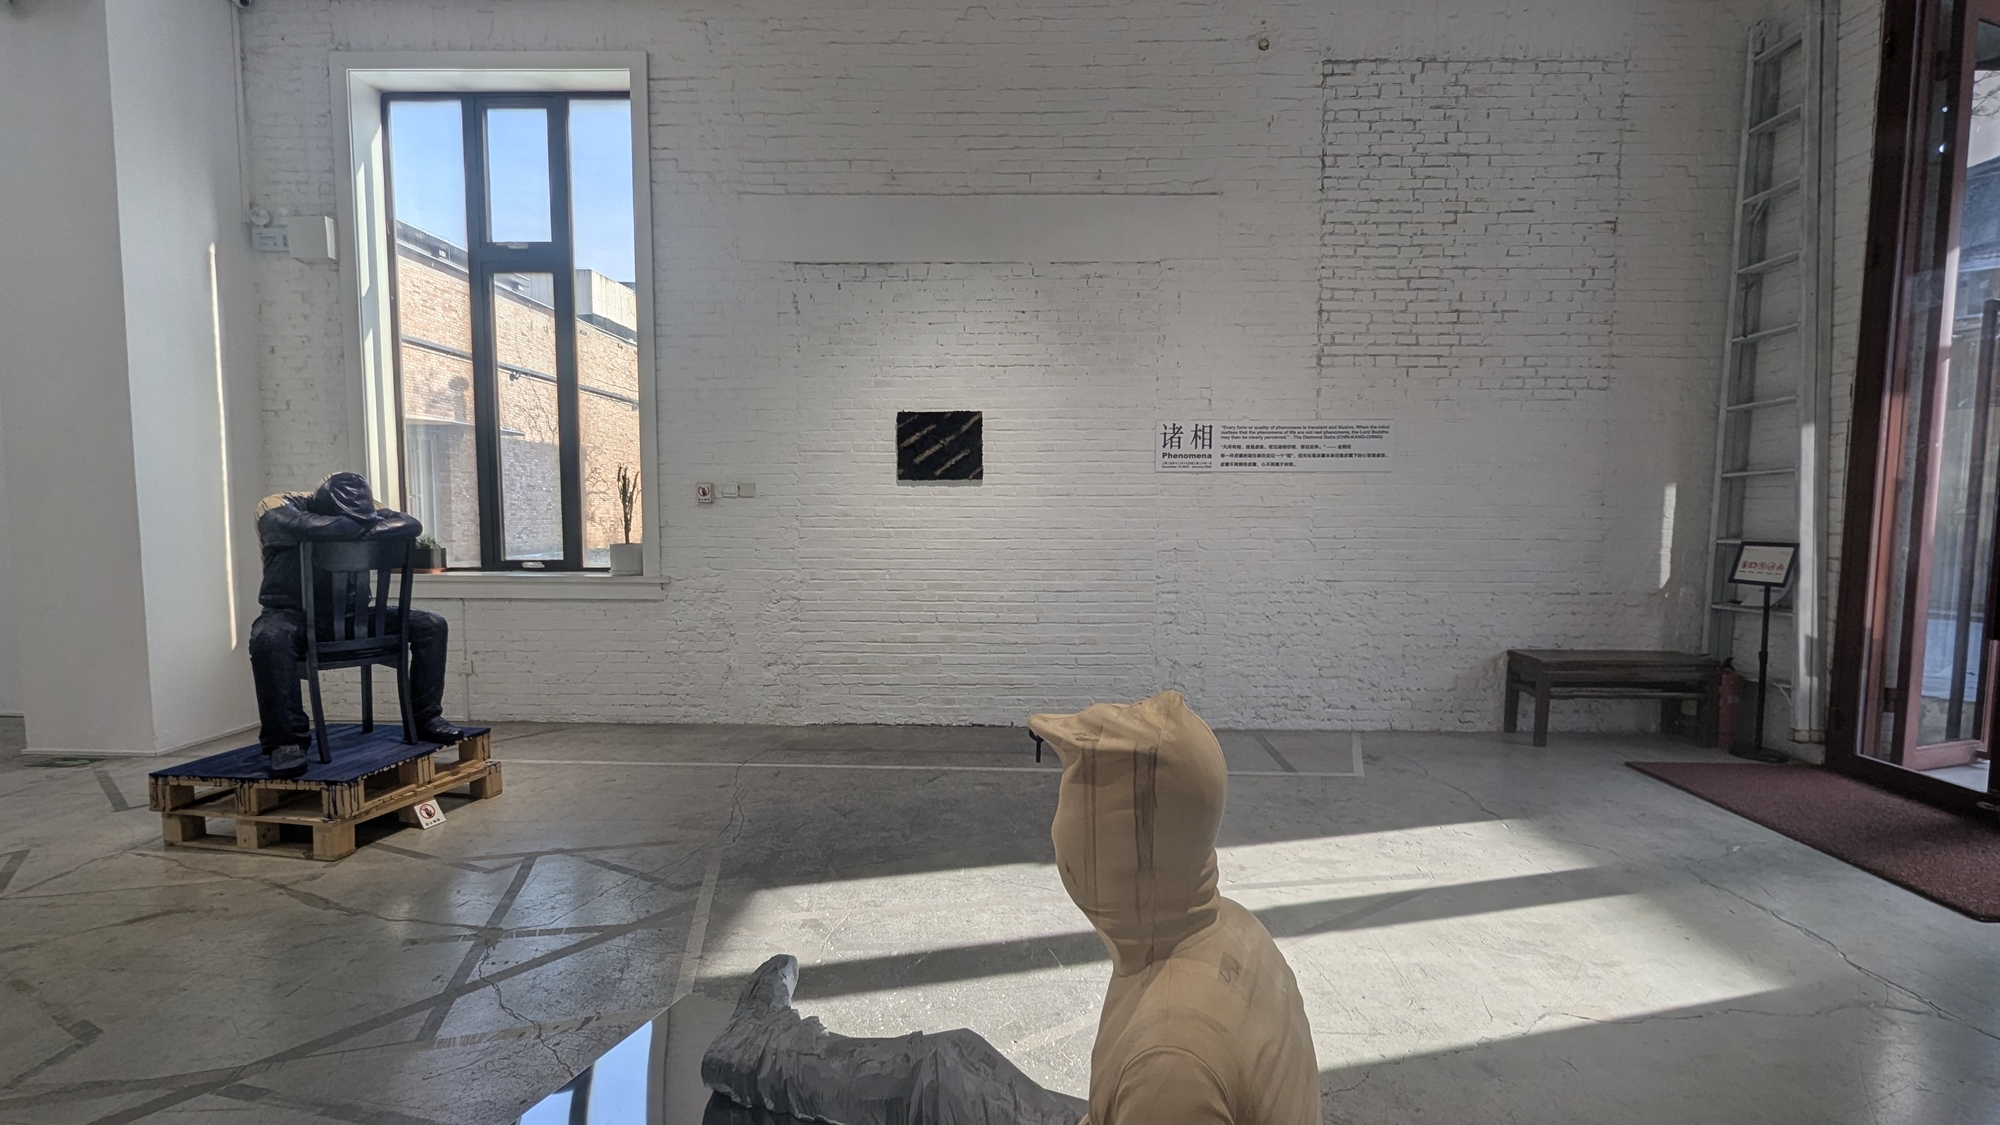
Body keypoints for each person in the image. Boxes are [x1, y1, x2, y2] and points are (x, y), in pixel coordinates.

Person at [700, 690, 1318, 1125]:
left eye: (1073, 801)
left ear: (1118, 846)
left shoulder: (1170, 1063)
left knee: (934, 1080)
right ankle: (769, 1047)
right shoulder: (1227, 928)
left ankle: (760, 1053)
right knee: (949, 1067)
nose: (1056, 829)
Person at [249, 472, 465, 778]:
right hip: (290, 614)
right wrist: (363, 525)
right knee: (268, 639)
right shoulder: (275, 505)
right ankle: (286, 742)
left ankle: (426, 719)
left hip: (352, 615)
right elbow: (299, 525)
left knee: (432, 624)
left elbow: (411, 524)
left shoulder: (365, 504)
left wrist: (359, 522)